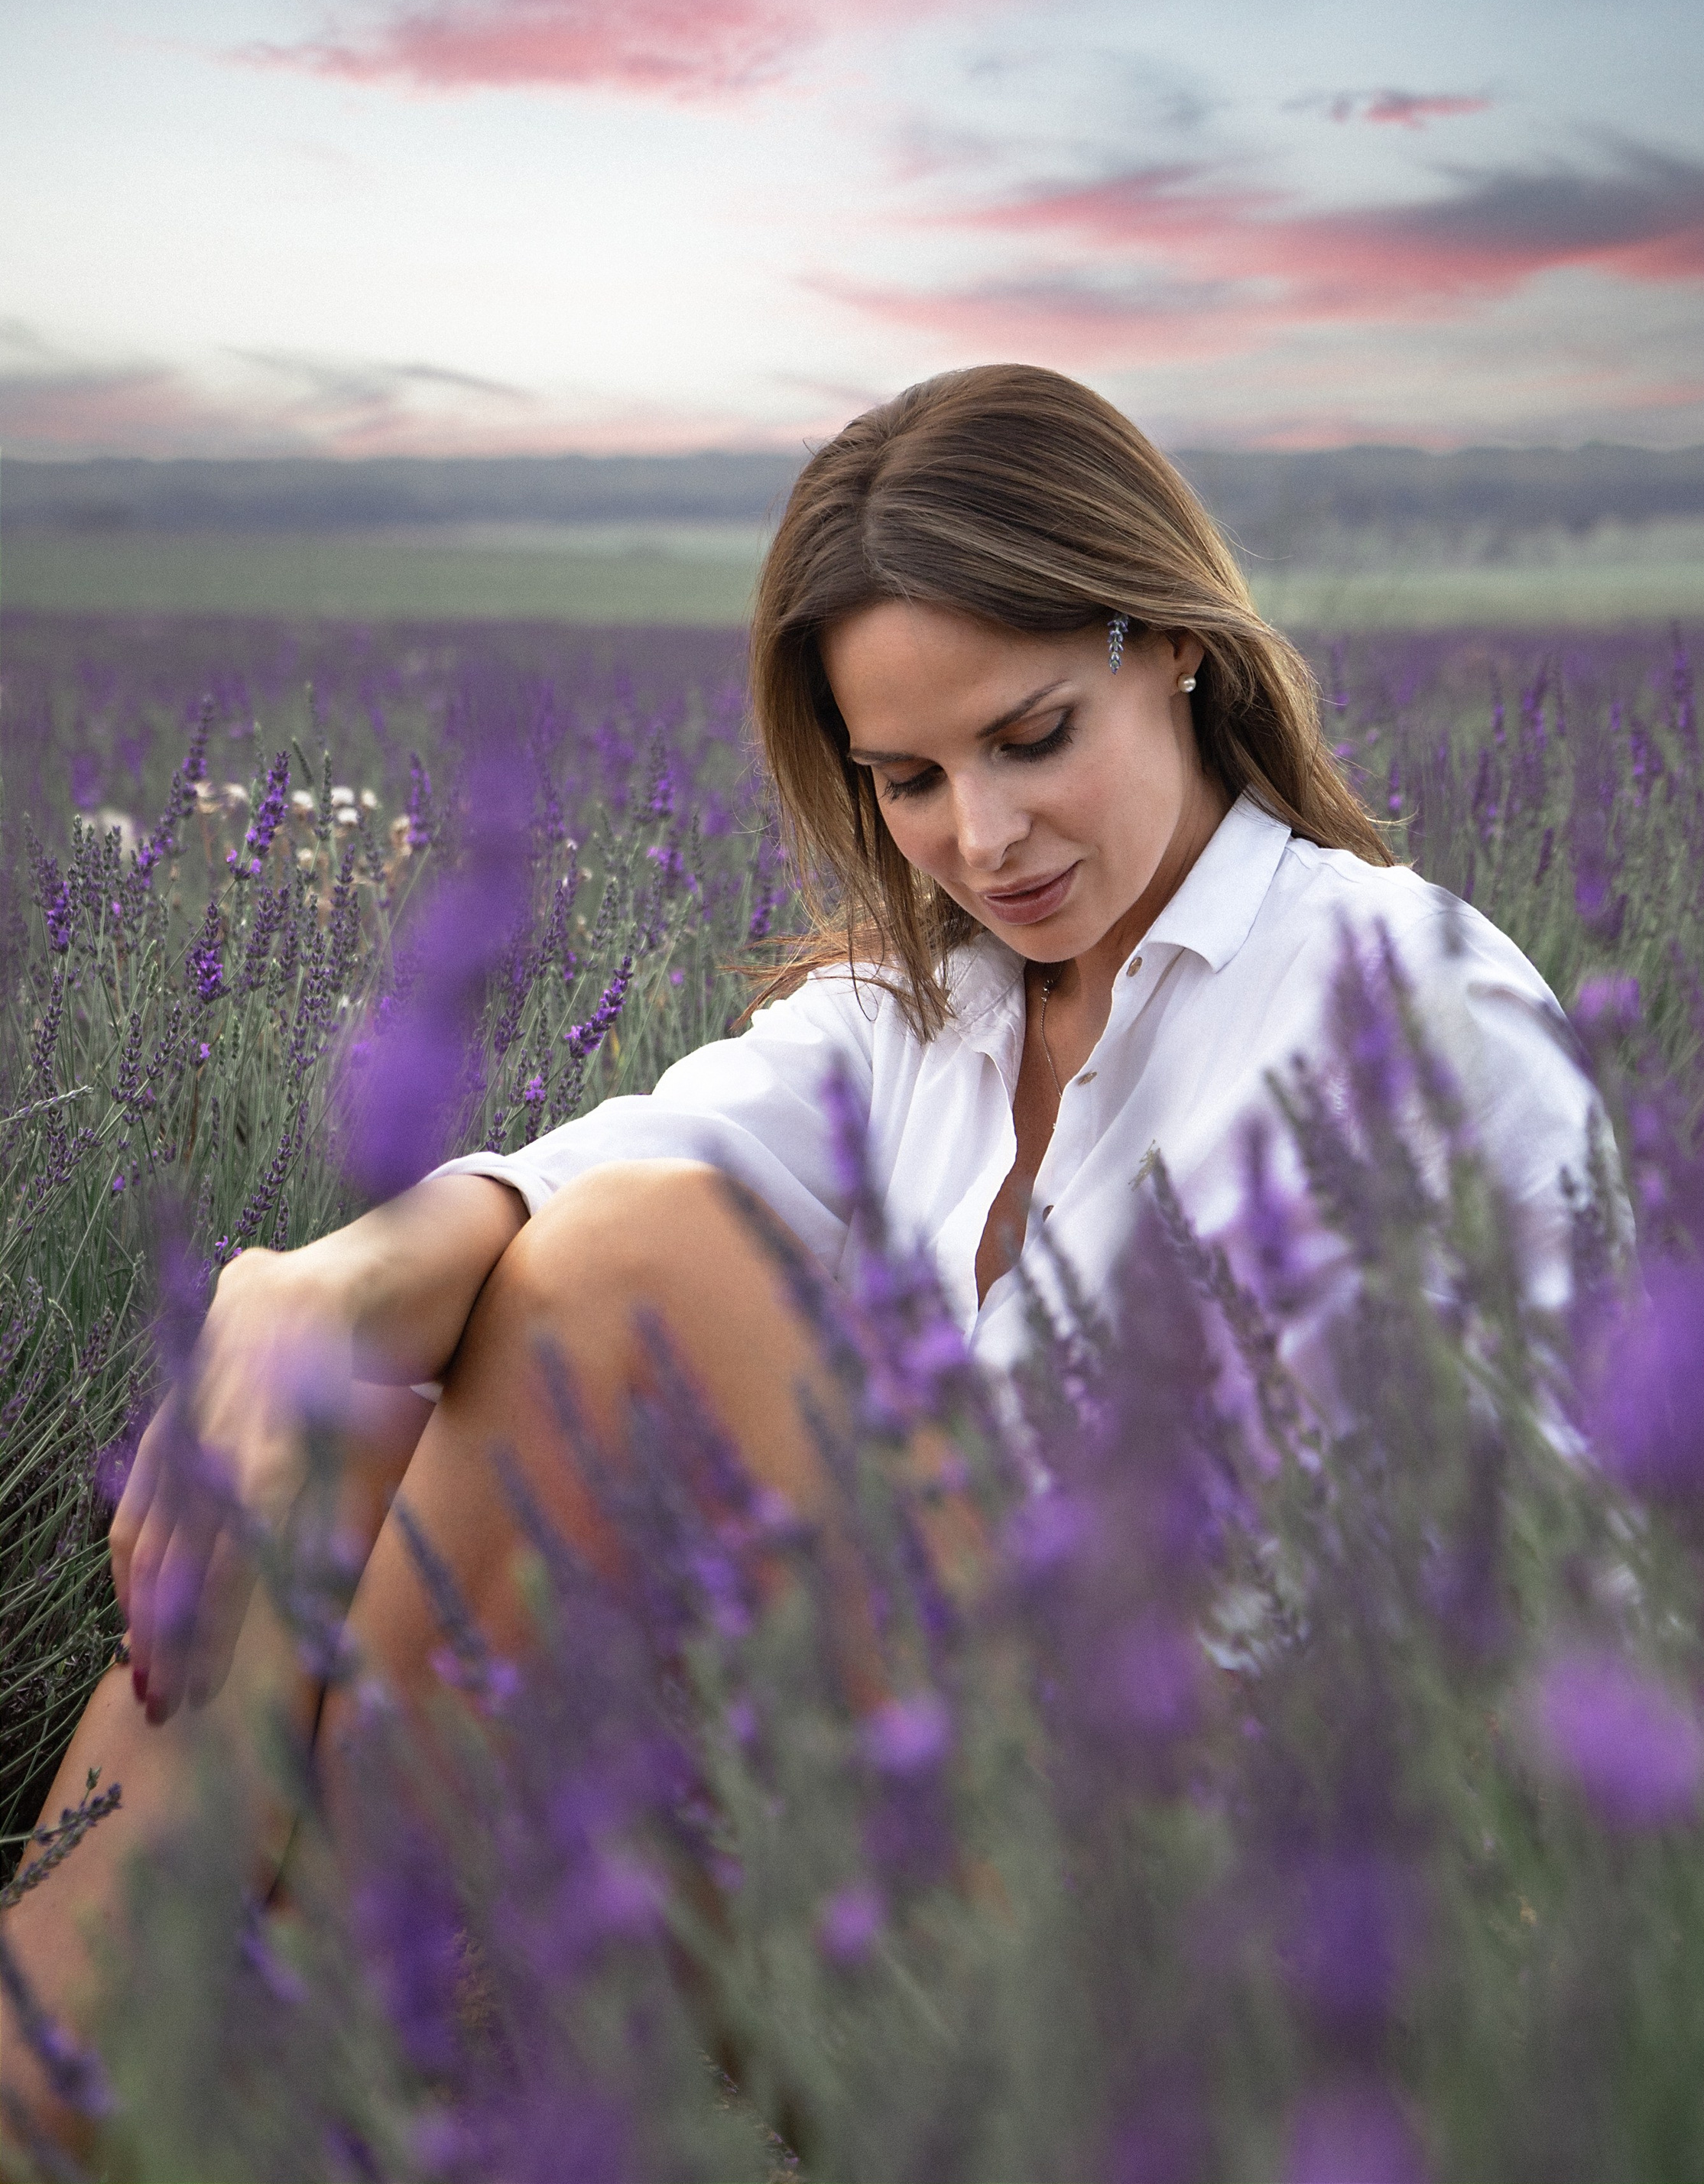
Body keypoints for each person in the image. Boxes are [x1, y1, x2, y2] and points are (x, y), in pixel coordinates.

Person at [1, 364, 1605, 2141]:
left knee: (629, 1270)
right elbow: (576, 1183)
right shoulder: (917, 1014)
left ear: (1171, 645)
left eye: (1030, 737)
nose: (980, 839)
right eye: (908, 778)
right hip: (904, 1862)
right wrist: (287, 1296)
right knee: (333, 1440)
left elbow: (1552, 1616)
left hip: (1223, 1938)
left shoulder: (1401, 999)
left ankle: (242, 2078)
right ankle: (74, 2097)